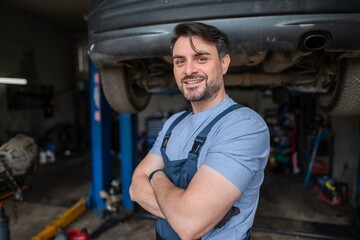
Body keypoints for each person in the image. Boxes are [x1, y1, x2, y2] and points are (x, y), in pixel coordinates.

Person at [129, 22, 270, 240]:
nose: (189, 70)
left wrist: (156, 176)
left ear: (224, 64)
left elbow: (189, 224)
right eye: (180, 61)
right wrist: (179, 210)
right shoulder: (173, 123)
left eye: (201, 58)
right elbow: (135, 187)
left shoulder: (245, 126)